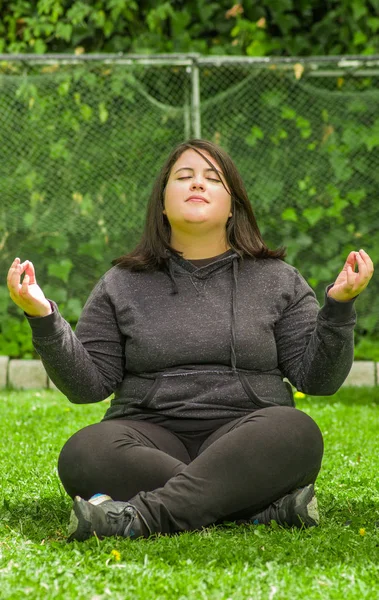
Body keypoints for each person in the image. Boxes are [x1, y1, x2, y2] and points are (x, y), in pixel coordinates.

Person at [7, 139, 374, 543]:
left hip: (249, 433)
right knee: (84, 452)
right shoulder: (122, 284)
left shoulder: (278, 279)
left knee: (295, 432)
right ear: (162, 203)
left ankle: (137, 518)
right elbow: (87, 386)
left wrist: (339, 308)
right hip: (148, 434)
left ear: (233, 205)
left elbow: (317, 380)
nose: (197, 184)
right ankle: (256, 507)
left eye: (211, 178)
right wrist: (43, 318)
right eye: (184, 177)